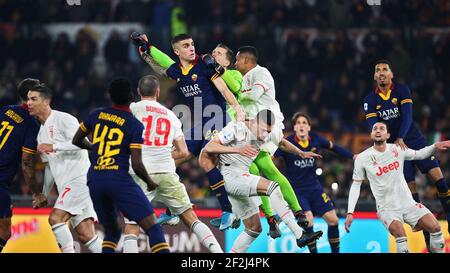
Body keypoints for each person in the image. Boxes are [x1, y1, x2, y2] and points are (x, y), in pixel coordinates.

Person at [131, 33, 245, 230]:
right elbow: (162, 66)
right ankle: (172, 210)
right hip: (201, 125)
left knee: (206, 157)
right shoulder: (176, 71)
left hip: (218, 119)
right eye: (186, 46)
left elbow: (225, 90)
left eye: (192, 44)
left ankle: (228, 211)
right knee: (169, 158)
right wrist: (147, 51)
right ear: (177, 51)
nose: (191, 48)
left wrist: (239, 111)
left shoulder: (205, 63)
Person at [210, 46, 309, 237]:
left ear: (239, 61)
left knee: (267, 168)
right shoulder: (237, 76)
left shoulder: (254, 74)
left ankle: (297, 212)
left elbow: (247, 93)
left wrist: (223, 78)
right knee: (253, 172)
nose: (215, 55)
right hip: (249, 129)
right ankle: (270, 219)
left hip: (265, 125)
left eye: (219, 54)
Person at [122, 75, 222, 253]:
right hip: (167, 173)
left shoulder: (131, 109)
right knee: (191, 218)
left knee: (132, 226)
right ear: (158, 92)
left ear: (138, 91)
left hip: (140, 174)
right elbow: (184, 152)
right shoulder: (171, 116)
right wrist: (165, 156)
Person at [72, 78, 170, 253]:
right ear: (132, 96)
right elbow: (137, 165)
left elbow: (76, 139)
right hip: (118, 179)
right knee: (153, 227)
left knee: (112, 232)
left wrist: (93, 148)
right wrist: (149, 182)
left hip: (94, 180)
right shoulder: (134, 125)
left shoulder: (96, 115)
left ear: (110, 96)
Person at [204, 109, 323, 252]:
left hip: (241, 177)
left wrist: (301, 153)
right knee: (272, 187)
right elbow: (209, 146)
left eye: (268, 131)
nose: (265, 135)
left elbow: (282, 143)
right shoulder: (236, 128)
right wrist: (237, 150)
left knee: (254, 229)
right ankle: (299, 234)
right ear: (255, 122)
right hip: (229, 176)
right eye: (264, 130)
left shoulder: (267, 132)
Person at [363, 60, 450, 249]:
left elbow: (408, 116)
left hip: (413, 139)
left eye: (385, 69)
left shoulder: (402, 90)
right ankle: (427, 238)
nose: (381, 72)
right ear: (375, 76)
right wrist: (384, 145)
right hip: (396, 150)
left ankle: (449, 215)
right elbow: (373, 127)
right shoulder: (370, 100)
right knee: (412, 195)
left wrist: (401, 136)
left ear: (391, 74)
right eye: (378, 70)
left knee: (439, 179)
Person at [345, 122, 448, 253]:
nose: (378, 130)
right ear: (371, 135)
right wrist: (350, 212)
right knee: (401, 233)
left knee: (435, 227)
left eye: (381, 128)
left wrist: (435, 146)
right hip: (387, 209)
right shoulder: (362, 158)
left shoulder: (397, 149)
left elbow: (419, 154)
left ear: (387, 135)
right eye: (375, 129)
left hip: (409, 204)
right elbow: (356, 185)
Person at [27, 83, 101, 253]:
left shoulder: (64, 119)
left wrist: (54, 146)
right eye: (28, 99)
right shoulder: (40, 133)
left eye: (33, 99)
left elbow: (84, 144)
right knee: (85, 235)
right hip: (68, 186)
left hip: (80, 180)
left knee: (55, 218)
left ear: (46, 102)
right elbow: (49, 167)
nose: (28, 103)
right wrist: (44, 193)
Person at [274, 113, 354, 253]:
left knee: (333, 220)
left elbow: (334, 147)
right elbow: (272, 158)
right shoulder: (288, 143)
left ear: (309, 127)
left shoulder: (316, 140)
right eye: (298, 123)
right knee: (308, 220)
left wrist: (352, 156)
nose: (301, 125)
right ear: (294, 127)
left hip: (315, 189)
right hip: (297, 191)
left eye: (304, 122)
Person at [0, 79, 47, 252]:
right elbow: (26, 162)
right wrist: (36, 193)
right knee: (4, 232)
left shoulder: (5, 110)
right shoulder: (31, 124)